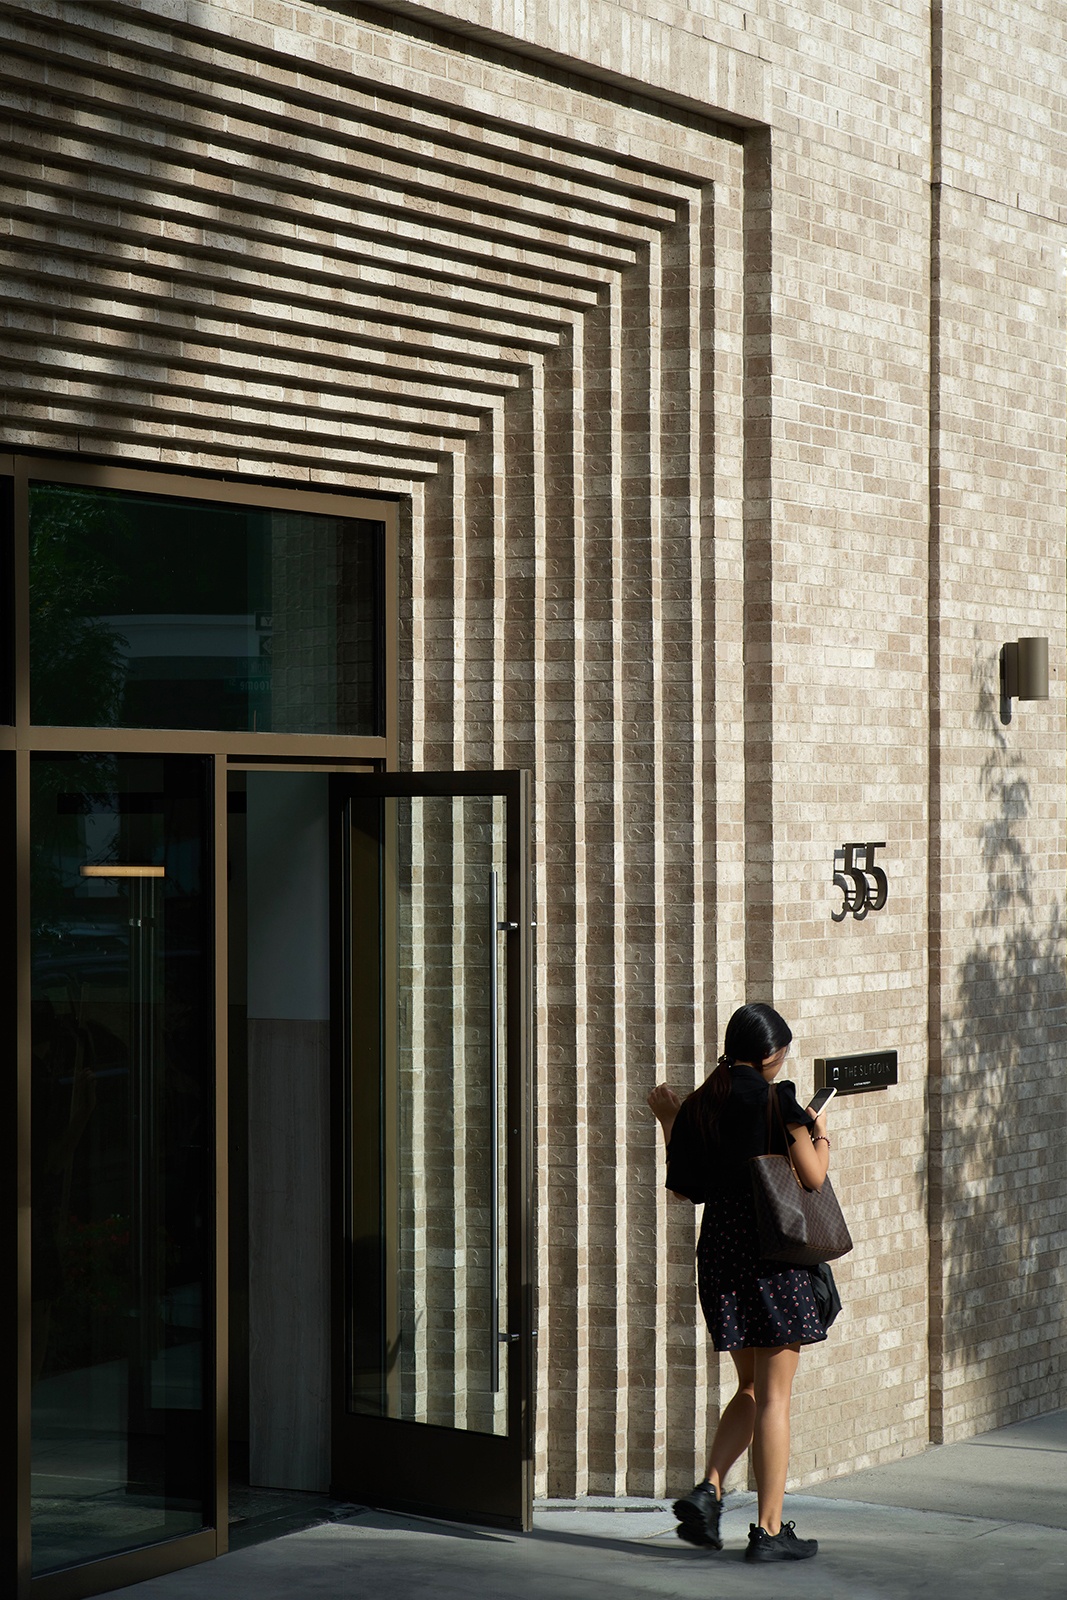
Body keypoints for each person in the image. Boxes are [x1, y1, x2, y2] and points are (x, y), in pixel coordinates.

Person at [647, 1002, 832, 1564]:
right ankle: (770, 1532)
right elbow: (814, 1177)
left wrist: (669, 1121)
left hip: (722, 1256)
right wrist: (820, 1134)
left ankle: (709, 1488)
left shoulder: (704, 1102)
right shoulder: (777, 1100)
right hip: (771, 1257)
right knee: (776, 1396)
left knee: (752, 1388)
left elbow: (685, 1189)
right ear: (772, 1054)